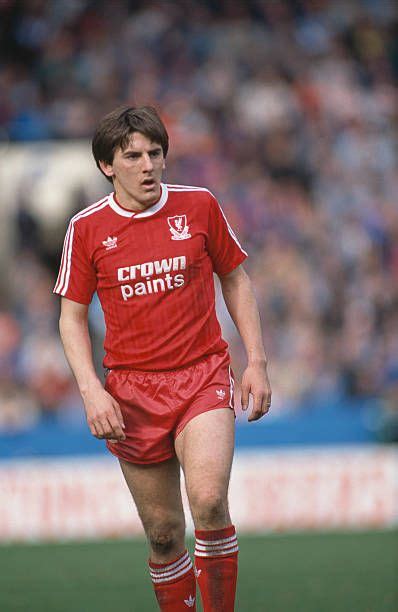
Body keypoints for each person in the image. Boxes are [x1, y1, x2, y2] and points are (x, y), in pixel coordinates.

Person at [54, 106, 271, 611]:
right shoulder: (86, 228)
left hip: (202, 377)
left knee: (210, 502)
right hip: (131, 392)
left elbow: (235, 277)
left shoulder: (199, 206)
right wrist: (92, 390)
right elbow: (70, 318)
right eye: (133, 156)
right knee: (164, 534)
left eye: (155, 153)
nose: (148, 165)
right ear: (107, 166)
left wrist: (255, 360)